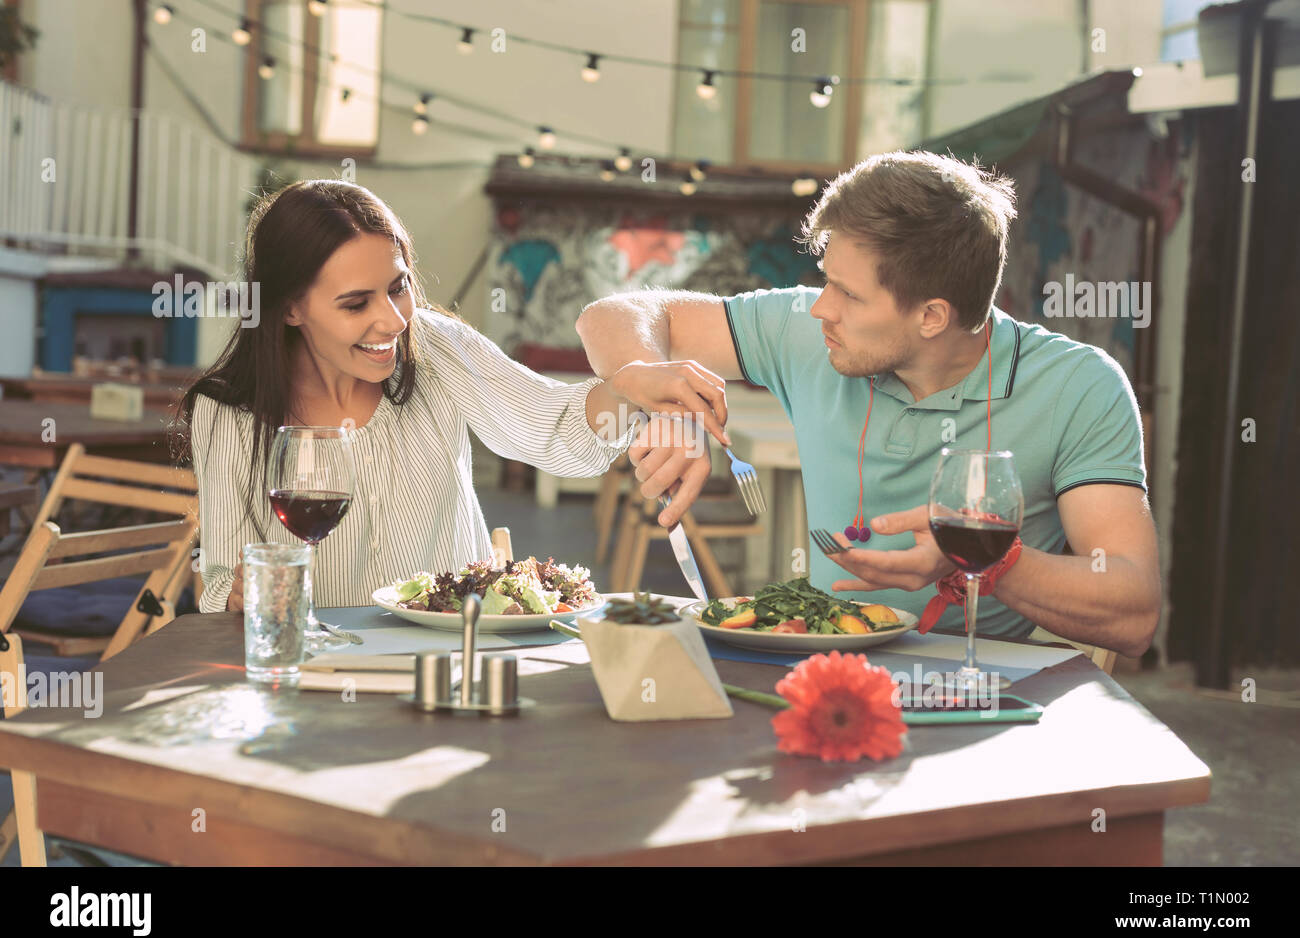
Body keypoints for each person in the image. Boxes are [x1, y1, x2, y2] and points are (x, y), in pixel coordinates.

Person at [576, 151, 1161, 656]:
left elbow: (1134, 612)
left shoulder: (1078, 386)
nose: (820, 309)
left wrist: (982, 558)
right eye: (826, 280)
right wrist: (655, 384)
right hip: (821, 669)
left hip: (982, 697)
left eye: (850, 295)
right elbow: (618, 314)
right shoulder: (809, 331)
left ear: (932, 316)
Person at [174, 180, 726, 612]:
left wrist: (630, 386)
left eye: (398, 288)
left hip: (449, 658)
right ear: (290, 308)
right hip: (317, 675)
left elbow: (557, 435)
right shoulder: (227, 413)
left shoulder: (435, 348)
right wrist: (240, 593)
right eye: (354, 303)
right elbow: (219, 576)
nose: (392, 320)